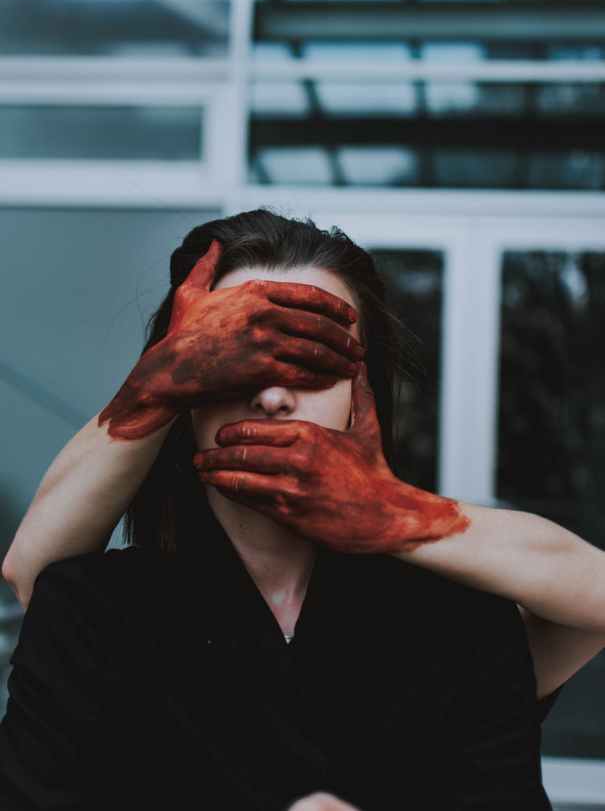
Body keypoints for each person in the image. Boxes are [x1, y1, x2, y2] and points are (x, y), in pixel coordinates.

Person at [1, 207, 604, 811]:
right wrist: (146, 390)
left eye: (312, 362)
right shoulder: (92, 617)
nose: (270, 395)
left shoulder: (458, 624)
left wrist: (392, 512)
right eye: (232, 361)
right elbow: (29, 573)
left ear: (359, 396)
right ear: (179, 394)